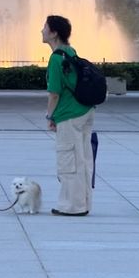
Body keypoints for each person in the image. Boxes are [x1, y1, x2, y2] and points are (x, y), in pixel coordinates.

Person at [42, 14, 95, 216]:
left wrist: (50, 117)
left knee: (69, 161)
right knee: (83, 159)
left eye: (45, 27)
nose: (41, 31)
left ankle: (72, 206)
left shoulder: (56, 58)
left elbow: (54, 94)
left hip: (69, 114)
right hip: (85, 111)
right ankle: (84, 203)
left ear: (54, 33)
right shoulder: (70, 52)